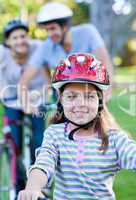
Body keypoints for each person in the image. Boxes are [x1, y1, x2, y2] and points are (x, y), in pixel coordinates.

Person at [18, 53, 136, 200]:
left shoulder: (114, 139)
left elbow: (132, 153)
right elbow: (43, 163)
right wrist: (32, 188)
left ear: (100, 102)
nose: (80, 103)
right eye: (71, 96)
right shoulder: (55, 134)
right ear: (61, 102)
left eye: (89, 96)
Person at [18, 2, 113, 106]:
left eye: (53, 28)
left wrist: (106, 93)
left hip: (90, 89)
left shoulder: (88, 32)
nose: (50, 34)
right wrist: (26, 103)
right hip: (63, 94)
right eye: (46, 30)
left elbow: (105, 64)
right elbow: (24, 80)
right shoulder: (45, 47)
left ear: (65, 26)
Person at [0, 19, 50, 198]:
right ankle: (18, 183)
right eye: (15, 38)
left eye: (23, 36)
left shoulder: (38, 48)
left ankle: (40, 184)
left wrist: (32, 98)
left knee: (39, 139)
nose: (20, 40)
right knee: (15, 144)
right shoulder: (2, 54)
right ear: (7, 42)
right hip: (12, 99)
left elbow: (47, 83)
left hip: (36, 97)